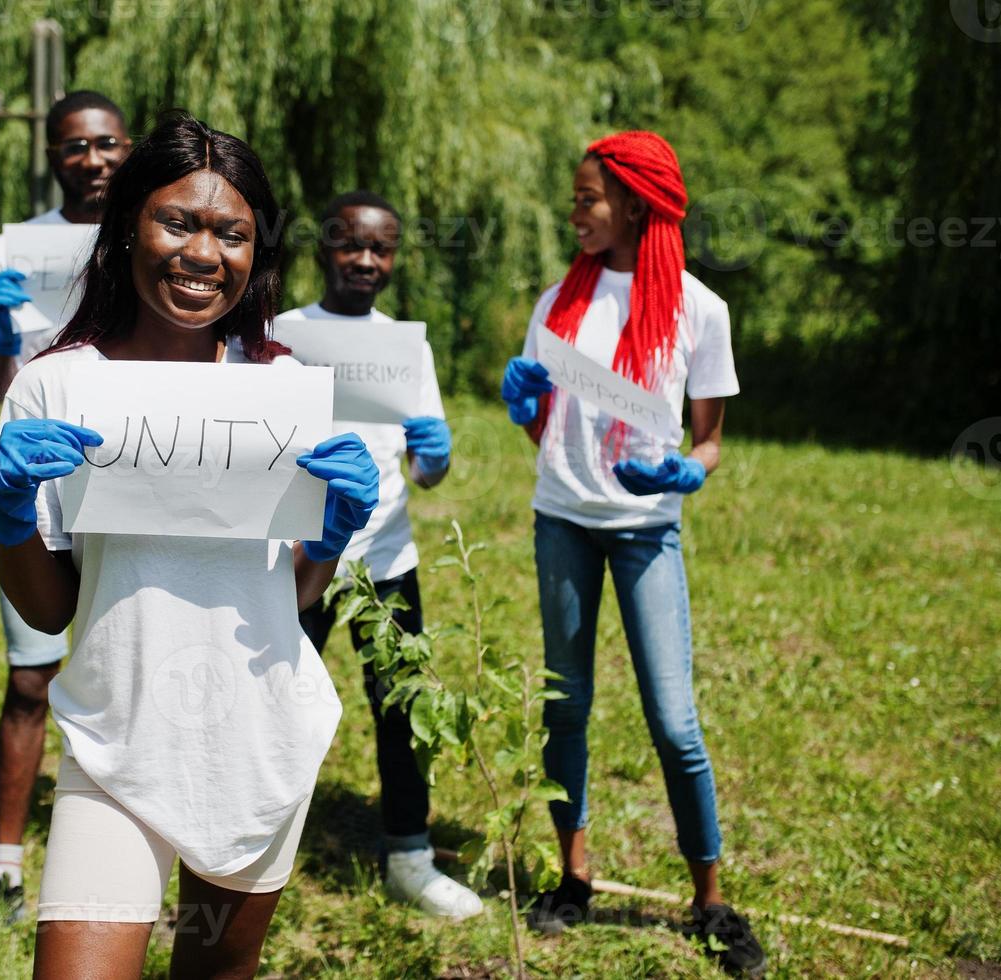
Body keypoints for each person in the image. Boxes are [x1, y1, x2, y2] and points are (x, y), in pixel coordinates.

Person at [0, 113, 378, 979]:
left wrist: (332, 537)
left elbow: (298, 594)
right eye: (178, 222)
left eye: (230, 232)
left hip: (259, 740)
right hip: (113, 741)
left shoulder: (281, 390)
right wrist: (11, 511)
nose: (203, 253)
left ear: (256, 253)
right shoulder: (55, 382)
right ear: (127, 225)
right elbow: (49, 612)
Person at [499, 131, 766, 977]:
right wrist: (525, 410)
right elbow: (549, 427)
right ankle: (572, 877)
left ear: (637, 204)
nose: (572, 213)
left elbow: (710, 443)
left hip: (646, 528)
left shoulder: (698, 310)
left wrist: (686, 472)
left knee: (674, 722)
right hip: (561, 520)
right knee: (564, 706)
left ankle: (711, 901)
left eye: (587, 199)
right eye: (574, 198)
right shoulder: (556, 303)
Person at [0, 91, 132, 925]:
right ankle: (4, 868)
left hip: (130, 481)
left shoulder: (151, 235)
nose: (91, 160)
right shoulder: (8, 249)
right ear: (52, 154)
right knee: (31, 677)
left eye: (105, 144)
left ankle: (128, 855)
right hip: (35, 485)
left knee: (131, 670)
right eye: (73, 147)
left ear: (126, 148)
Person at [280, 191, 480, 920]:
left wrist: (435, 461)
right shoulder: (280, 336)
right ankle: (251, 843)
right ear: (321, 248)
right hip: (296, 560)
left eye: (382, 248)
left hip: (385, 560)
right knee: (276, 702)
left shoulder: (405, 345)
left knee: (400, 710)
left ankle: (410, 856)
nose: (366, 260)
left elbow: (422, 469)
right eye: (350, 244)